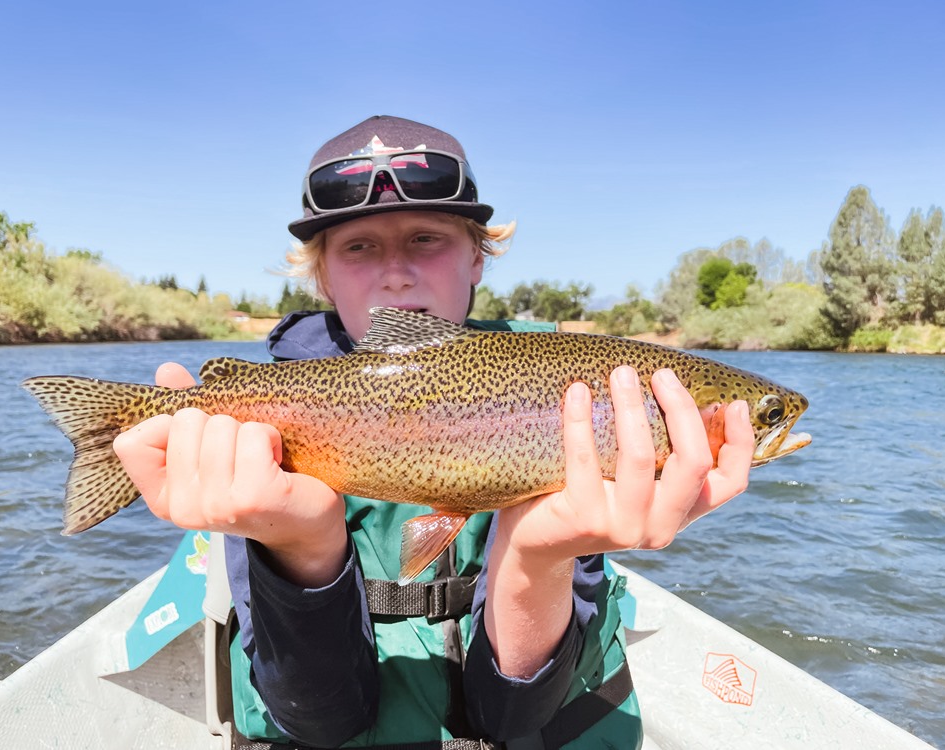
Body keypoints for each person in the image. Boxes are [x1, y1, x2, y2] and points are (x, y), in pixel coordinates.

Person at [113, 115, 755, 749]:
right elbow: (319, 723)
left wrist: (540, 552)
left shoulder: (570, 393)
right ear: (322, 277)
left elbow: (510, 721)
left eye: (427, 238)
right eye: (359, 246)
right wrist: (301, 545)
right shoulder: (257, 429)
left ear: (477, 257)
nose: (396, 272)